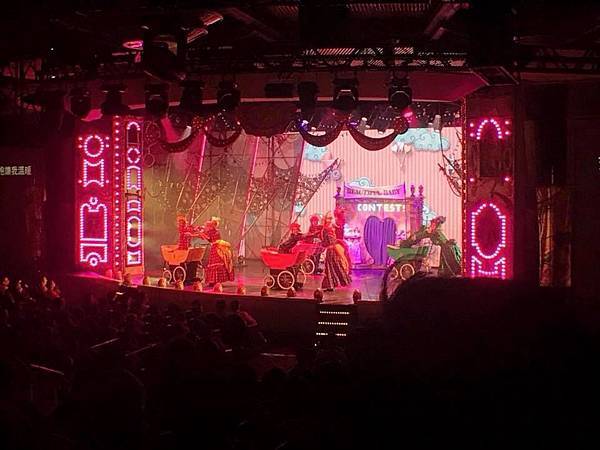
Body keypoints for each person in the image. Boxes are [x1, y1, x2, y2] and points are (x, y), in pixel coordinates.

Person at [320, 212, 351, 291]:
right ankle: (331, 285)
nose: (329, 220)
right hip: (331, 250)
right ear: (325, 219)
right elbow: (329, 242)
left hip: (331, 251)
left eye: (330, 219)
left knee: (332, 267)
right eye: (328, 218)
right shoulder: (327, 229)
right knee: (332, 267)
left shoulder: (328, 229)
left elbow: (331, 242)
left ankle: (331, 285)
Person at [200, 217, 234, 286]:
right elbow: (209, 239)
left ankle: (215, 281)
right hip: (216, 247)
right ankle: (215, 281)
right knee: (216, 263)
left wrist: (201, 234)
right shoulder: (214, 231)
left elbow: (208, 238)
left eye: (212, 224)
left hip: (216, 248)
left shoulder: (214, 231)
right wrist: (201, 233)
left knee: (216, 263)